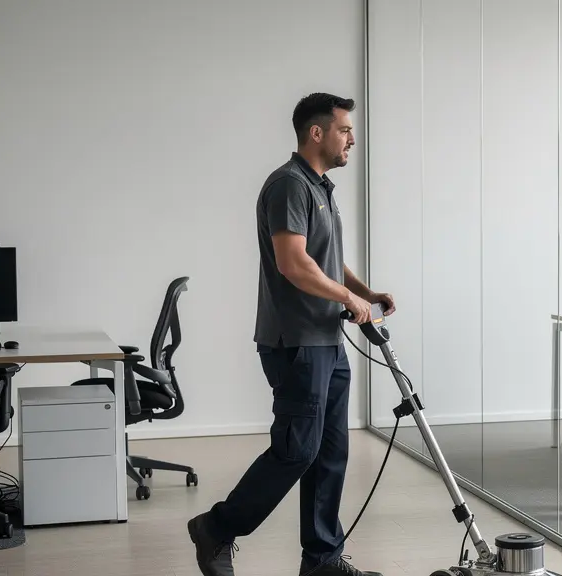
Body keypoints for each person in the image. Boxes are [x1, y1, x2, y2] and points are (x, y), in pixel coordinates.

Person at [187, 93, 393, 576]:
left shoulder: (320, 188)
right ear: (316, 133)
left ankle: (322, 560)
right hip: (296, 342)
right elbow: (294, 263)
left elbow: (324, 258)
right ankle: (216, 528)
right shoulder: (288, 185)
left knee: (329, 451)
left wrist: (364, 291)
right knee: (297, 450)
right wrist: (348, 301)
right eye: (345, 130)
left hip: (326, 340)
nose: (352, 139)